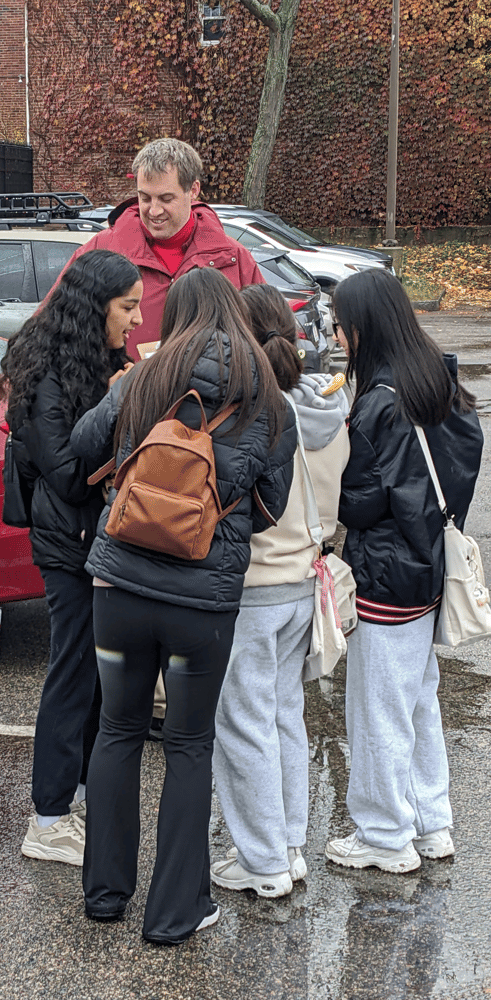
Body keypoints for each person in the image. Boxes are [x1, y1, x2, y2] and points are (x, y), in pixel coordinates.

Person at [69, 267, 294, 945]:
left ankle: (105, 895)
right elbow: (273, 506)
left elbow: (82, 449)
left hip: (120, 592)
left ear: (177, 316)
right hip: (203, 603)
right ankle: (173, 914)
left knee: (117, 730)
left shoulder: (145, 377)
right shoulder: (267, 397)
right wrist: (213, 526)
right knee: (191, 747)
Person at [328, 269, 482, 873]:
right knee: (418, 698)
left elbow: (357, 503)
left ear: (362, 328)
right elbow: (464, 455)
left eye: (340, 325)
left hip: (385, 573)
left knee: (378, 708)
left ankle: (385, 833)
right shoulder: (436, 377)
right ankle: (431, 821)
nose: (337, 336)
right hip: (427, 567)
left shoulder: (377, 403)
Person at [0, 249, 142, 867]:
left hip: (102, 539)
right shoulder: (43, 374)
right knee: (72, 670)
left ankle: (75, 796)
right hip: (67, 544)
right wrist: (116, 405)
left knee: (99, 674)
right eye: (127, 307)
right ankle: (47, 817)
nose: (136, 320)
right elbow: (65, 474)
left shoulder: (104, 358)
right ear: (94, 309)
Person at [210, 283, 349, 898]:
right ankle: (290, 844)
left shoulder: (254, 412)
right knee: (286, 716)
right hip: (305, 579)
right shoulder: (325, 410)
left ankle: (262, 861)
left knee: (243, 724)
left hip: (255, 582)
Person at [57, 138, 264, 359]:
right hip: (122, 392)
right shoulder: (100, 251)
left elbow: (268, 342)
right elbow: (52, 328)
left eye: (166, 198)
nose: (154, 211)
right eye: (144, 198)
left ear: (193, 190)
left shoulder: (234, 258)